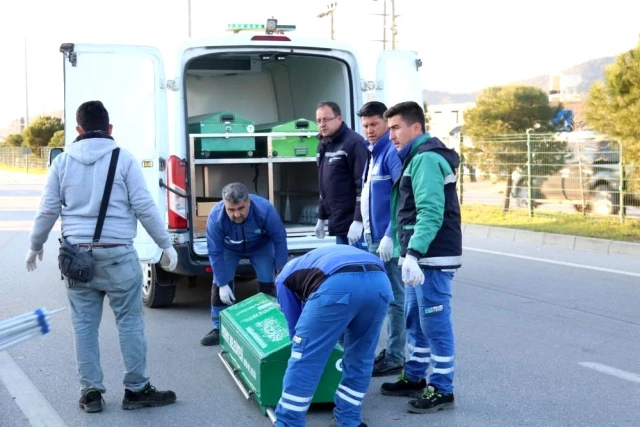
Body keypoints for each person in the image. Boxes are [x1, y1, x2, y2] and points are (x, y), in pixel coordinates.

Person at [25, 100, 178, 413]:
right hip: (118, 256)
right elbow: (144, 207)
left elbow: (47, 210)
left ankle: (91, 393)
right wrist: (166, 244)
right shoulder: (124, 160)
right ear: (110, 129)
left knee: (84, 328)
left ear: (79, 130)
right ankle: (136, 390)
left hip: (76, 260)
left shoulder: (62, 163)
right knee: (130, 324)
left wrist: (35, 245)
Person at [379, 101, 462, 414]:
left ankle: (442, 388)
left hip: (432, 257)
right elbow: (408, 213)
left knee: (435, 324)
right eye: (390, 130)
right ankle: (414, 376)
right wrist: (404, 251)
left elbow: (430, 211)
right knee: (415, 319)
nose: (392, 136)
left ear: (416, 127)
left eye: (396, 128)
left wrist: (412, 253)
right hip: (419, 257)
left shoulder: (425, 159)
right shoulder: (415, 159)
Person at [274, 245, 393, 427]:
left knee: (304, 358)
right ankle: (349, 420)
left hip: (338, 285)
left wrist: (305, 347)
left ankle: (288, 423)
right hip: (380, 283)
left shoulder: (283, 279)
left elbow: (294, 325)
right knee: (361, 357)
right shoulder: (315, 259)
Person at [201, 182, 288, 346]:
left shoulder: (265, 210)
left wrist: (281, 271)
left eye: (240, 208)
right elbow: (215, 251)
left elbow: (279, 239)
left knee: (267, 281)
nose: (236, 214)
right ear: (224, 206)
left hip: (260, 246)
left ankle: (270, 321)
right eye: (231, 210)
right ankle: (219, 328)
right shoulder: (215, 217)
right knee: (220, 283)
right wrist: (222, 283)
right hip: (229, 248)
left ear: (248, 202)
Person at [357, 101, 406, 376]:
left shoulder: (390, 153)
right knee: (381, 298)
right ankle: (390, 351)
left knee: (395, 299)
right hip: (372, 239)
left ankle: (396, 356)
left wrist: (390, 235)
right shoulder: (372, 152)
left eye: (374, 124)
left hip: (388, 242)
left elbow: (402, 198)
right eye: (365, 125)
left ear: (386, 123)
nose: (369, 130)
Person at [314, 101, 369, 249]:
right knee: (346, 269)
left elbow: (362, 185)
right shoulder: (323, 145)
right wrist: (322, 216)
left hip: (354, 226)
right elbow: (324, 186)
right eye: (318, 120)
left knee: (359, 269)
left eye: (326, 119)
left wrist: (358, 220)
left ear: (339, 119)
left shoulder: (354, 143)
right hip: (339, 223)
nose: (322, 124)